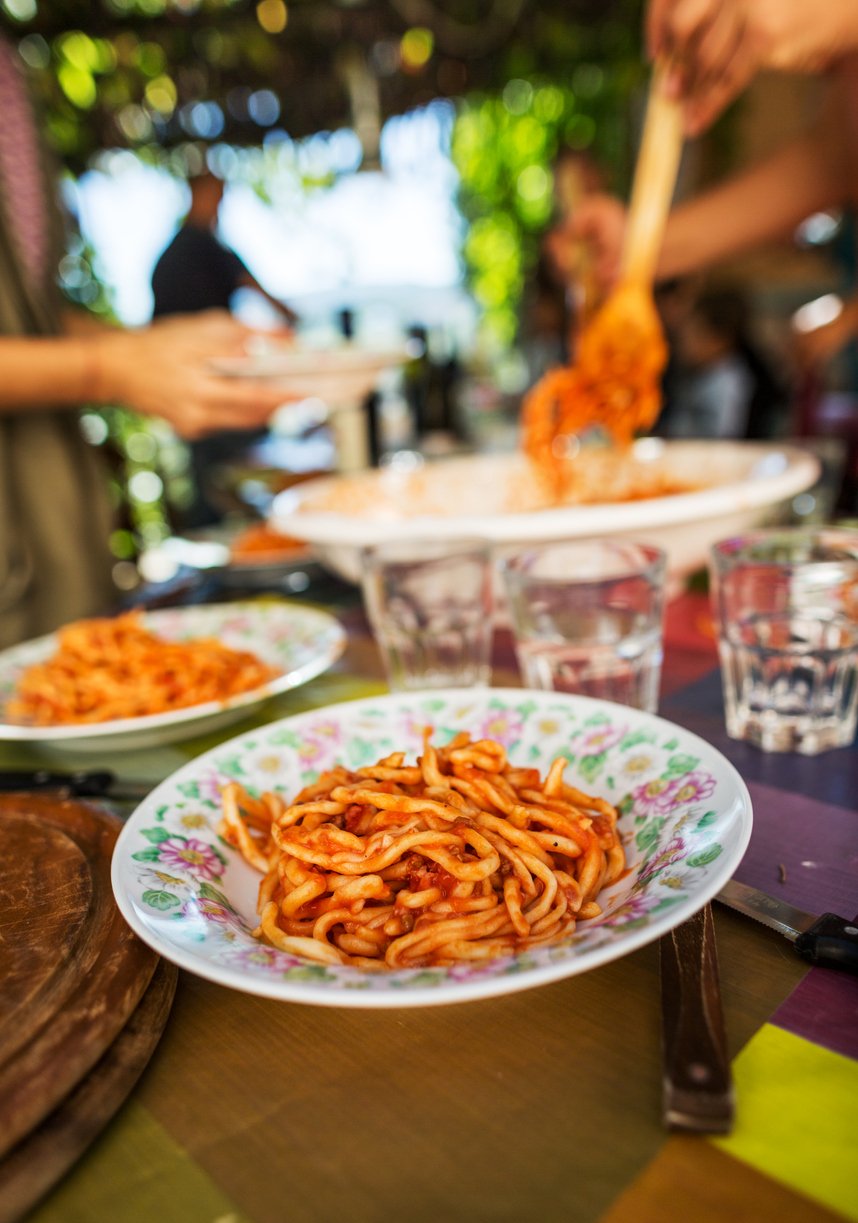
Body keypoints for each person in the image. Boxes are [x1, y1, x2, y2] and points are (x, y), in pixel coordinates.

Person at [0, 33, 293, 649]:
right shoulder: (193, 249)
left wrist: (157, 350)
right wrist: (108, 369)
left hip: (57, 545)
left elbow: (33, 317)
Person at [151, 171, 298, 526]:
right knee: (237, 485)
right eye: (216, 194)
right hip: (215, 383)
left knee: (211, 484)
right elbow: (262, 293)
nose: (220, 203)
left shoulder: (172, 253)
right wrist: (291, 324)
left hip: (190, 384)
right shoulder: (205, 247)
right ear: (197, 193)